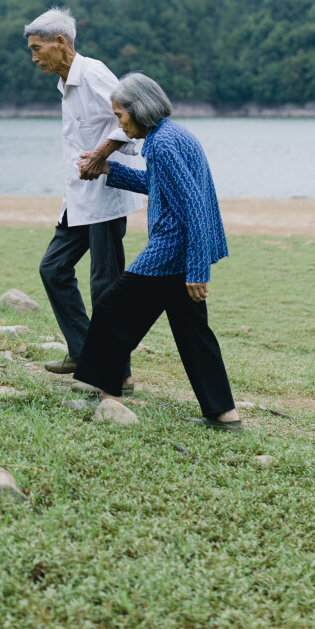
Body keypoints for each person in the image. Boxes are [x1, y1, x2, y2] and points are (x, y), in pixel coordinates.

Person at [75, 71, 242, 430]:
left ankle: (109, 394)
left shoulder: (164, 144)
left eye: (120, 116)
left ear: (139, 109)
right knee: (193, 333)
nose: (120, 125)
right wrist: (110, 169)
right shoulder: (172, 134)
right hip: (184, 251)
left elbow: (195, 208)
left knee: (111, 308)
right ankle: (224, 413)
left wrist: (198, 271)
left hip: (171, 251)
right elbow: (159, 184)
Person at [24, 7, 143, 383]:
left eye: (37, 48)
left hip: (106, 195)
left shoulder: (93, 74)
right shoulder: (65, 84)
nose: (34, 57)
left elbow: (137, 114)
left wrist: (103, 152)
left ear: (61, 42)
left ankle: (116, 371)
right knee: (53, 269)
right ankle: (83, 351)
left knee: (105, 284)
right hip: (76, 199)